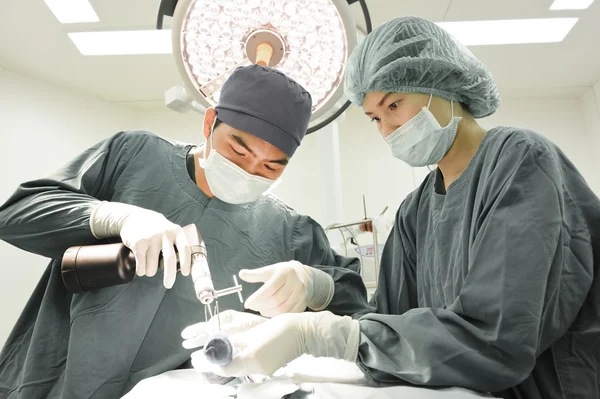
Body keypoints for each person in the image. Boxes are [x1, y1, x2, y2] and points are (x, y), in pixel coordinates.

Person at [185, 17, 600, 399]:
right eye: (373, 118)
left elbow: (497, 339)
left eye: (394, 105)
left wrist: (317, 335)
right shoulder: (413, 213)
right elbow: (392, 329)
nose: (387, 128)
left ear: (442, 82)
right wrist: (314, 294)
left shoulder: (519, 162)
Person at [0, 65, 370, 399]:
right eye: (239, 151)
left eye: (271, 166)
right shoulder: (134, 155)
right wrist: (114, 217)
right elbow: (16, 213)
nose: (251, 171)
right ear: (209, 124)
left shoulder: (289, 229)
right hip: (51, 385)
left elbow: (359, 310)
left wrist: (315, 285)